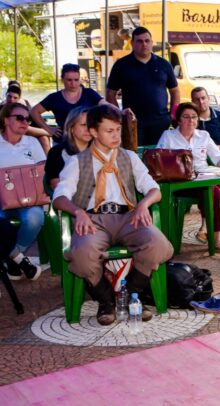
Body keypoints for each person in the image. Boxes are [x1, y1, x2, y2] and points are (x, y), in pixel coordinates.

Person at [52, 104, 174, 326]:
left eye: (118, 129)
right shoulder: (77, 161)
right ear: (93, 132)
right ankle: (106, 300)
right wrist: (78, 212)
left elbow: (153, 189)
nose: (116, 135)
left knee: (157, 244)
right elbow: (59, 198)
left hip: (129, 216)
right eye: (109, 131)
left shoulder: (129, 157)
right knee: (82, 254)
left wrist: (143, 204)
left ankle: (131, 295)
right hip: (94, 220)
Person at [157, 102, 220, 253]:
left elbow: (218, 157)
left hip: (202, 179)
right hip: (179, 182)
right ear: (178, 120)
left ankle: (215, 237)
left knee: (213, 191)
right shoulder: (169, 136)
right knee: (211, 192)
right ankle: (206, 230)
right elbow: (159, 159)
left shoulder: (203, 135)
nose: (191, 120)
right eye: (186, 117)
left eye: (194, 117)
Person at [106, 26, 180, 146]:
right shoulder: (122, 65)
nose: (144, 44)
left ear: (151, 42)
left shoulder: (163, 64)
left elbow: (175, 91)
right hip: (133, 122)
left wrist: (173, 114)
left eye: (147, 41)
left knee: (159, 158)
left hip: (160, 121)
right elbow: (110, 93)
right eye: (139, 41)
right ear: (132, 43)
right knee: (134, 157)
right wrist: (119, 115)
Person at [0, 103, 45, 281]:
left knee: (35, 218)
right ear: (5, 120)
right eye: (19, 118)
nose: (25, 122)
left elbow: (43, 171)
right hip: (1, 199)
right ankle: (19, 259)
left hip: (28, 198)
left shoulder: (32, 142)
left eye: (28, 119)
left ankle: (10, 256)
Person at [30, 63, 105, 143]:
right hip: (63, 142)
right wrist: (48, 129)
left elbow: (105, 106)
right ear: (62, 80)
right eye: (69, 80)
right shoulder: (55, 98)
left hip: (87, 142)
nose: (73, 83)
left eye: (76, 80)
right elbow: (34, 111)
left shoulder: (89, 93)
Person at [45, 106, 92, 190]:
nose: (88, 129)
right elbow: (56, 186)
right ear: (71, 127)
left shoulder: (101, 150)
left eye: (91, 125)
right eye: (83, 125)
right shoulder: (56, 152)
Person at [2, 85, 51, 152]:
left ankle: (48, 161)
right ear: (6, 96)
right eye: (9, 96)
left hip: (22, 133)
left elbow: (35, 123)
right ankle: (51, 133)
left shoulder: (22, 110)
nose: (11, 100)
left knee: (43, 138)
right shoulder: (1, 108)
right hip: (5, 132)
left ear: (19, 99)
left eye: (15, 98)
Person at [191, 87, 220, 153]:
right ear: (192, 102)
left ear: (208, 98)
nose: (201, 102)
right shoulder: (190, 118)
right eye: (197, 100)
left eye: (203, 98)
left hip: (218, 155)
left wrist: (217, 148)